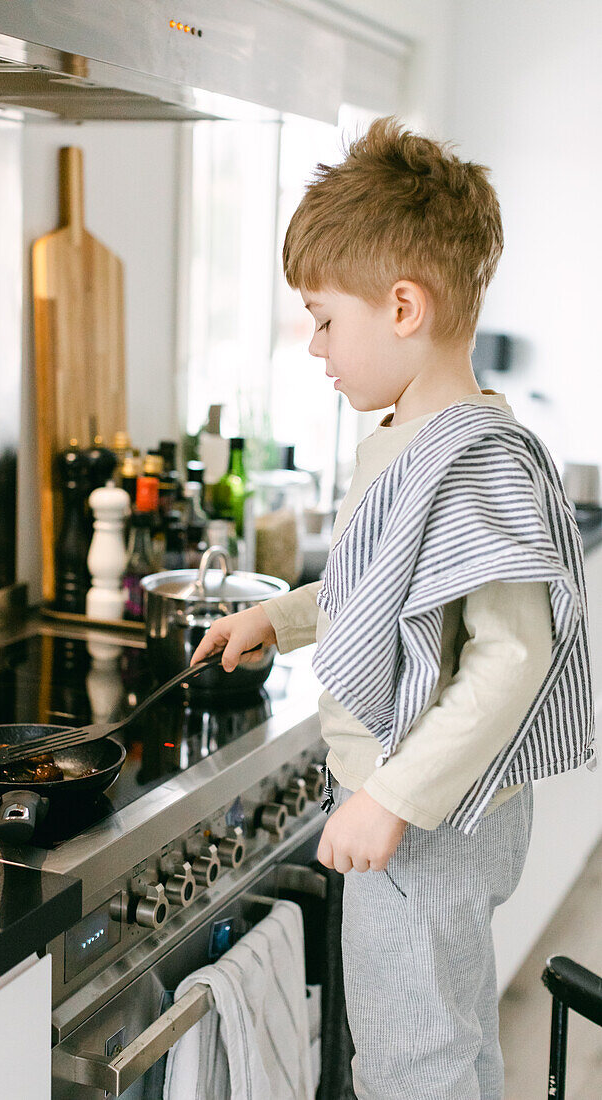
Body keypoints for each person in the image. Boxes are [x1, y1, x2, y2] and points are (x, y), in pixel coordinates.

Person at [189, 115, 595, 1100]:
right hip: (423, 807)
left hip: (432, 816)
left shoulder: (473, 460)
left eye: (325, 317)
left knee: (416, 1061)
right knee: (433, 1043)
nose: (316, 345)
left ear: (402, 305)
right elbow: (381, 587)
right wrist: (277, 620)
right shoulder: (412, 440)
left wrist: (388, 798)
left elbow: (513, 657)